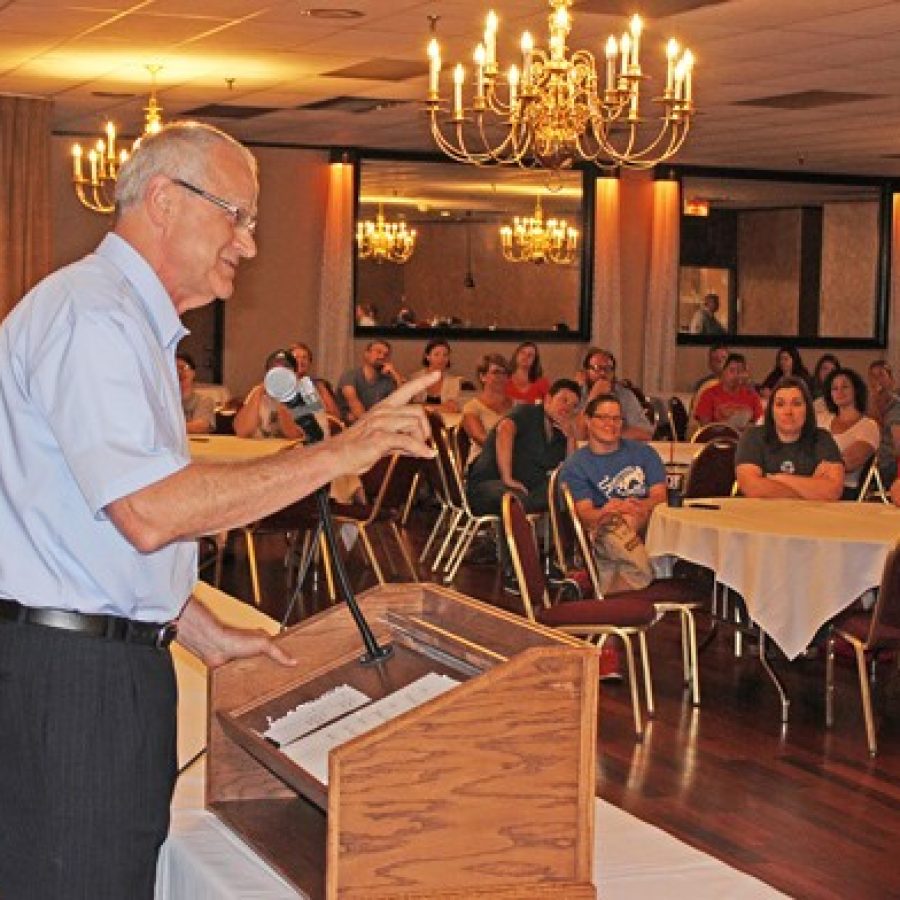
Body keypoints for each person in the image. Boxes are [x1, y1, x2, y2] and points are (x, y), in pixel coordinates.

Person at [0, 121, 437, 899]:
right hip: (72, 684)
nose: (250, 244)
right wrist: (340, 452)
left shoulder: (120, 321)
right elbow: (149, 511)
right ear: (165, 200)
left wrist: (195, 625)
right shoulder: (94, 318)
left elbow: (79, 522)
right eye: (237, 215)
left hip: (93, 668)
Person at [735, 376, 843, 500]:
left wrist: (778, 478)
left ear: (807, 409)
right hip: (762, 515)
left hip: (809, 517)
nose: (788, 411)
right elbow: (753, 488)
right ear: (771, 411)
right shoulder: (753, 436)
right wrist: (811, 485)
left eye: (796, 404)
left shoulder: (822, 439)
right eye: (780, 404)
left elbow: (832, 491)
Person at [816, 367, 879, 499]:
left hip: (845, 490)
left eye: (845, 387)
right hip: (812, 483)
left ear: (856, 390)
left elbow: (848, 463)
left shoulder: (868, 426)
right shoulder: (821, 419)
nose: (839, 391)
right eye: (834, 388)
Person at [576, 348, 653, 441]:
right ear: (586, 372)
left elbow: (645, 433)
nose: (602, 373)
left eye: (608, 369)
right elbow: (579, 434)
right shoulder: (577, 394)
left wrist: (606, 433)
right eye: (597, 368)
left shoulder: (625, 395)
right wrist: (593, 396)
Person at [233, 348, 305, 440]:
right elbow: (242, 431)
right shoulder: (258, 391)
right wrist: (258, 392)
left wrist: (282, 398)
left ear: (295, 374)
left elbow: (295, 435)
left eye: (284, 370)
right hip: (261, 450)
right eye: (274, 370)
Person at [336, 339, 405, 423]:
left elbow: (404, 402)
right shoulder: (349, 376)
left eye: (386, 355)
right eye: (378, 352)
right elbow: (357, 410)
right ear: (366, 354)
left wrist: (395, 374)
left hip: (379, 424)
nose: (382, 357)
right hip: (352, 427)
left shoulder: (387, 380)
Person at [461, 353, 514, 462]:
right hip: (484, 461)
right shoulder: (471, 408)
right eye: (496, 372)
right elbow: (480, 438)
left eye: (504, 373)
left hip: (516, 460)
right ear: (482, 377)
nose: (501, 377)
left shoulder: (517, 406)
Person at [693, 352, 763, 432]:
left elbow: (760, 426)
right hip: (717, 440)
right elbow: (705, 427)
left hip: (745, 441)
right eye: (732, 370)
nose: (736, 375)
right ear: (723, 372)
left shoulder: (753, 396)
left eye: (740, 371)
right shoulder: (709, 394)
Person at [867, 359, 900, 486]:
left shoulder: (896, 406)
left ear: (891, 380)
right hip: (869, 458)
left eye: (881, 375)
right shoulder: (867, 405)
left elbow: (898, 446)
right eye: (873, 376)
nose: (877, 380)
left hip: (888, 464)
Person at [289, 341, 341, 421]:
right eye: (296, 358)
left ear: (309, 363)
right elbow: (287, 413)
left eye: (304, 357)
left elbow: (335, 414)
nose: (300, 361)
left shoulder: (319, 384)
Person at [411, 338, 462, 414]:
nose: (441, 358)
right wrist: (441, 407)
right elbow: (411, 406)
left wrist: (424, 407)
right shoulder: (415, 378)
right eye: (436, 354)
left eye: (445, 355)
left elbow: (452, 408)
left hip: (445, 423)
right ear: (427, 356)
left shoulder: (453, 381)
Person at [176, 350, 215, 434]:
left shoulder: (204, 401)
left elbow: (201, 426)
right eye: (174, 369)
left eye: (183, 368)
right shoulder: (165, 402)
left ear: (193, 373)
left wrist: (169, 429)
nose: (179, 373)